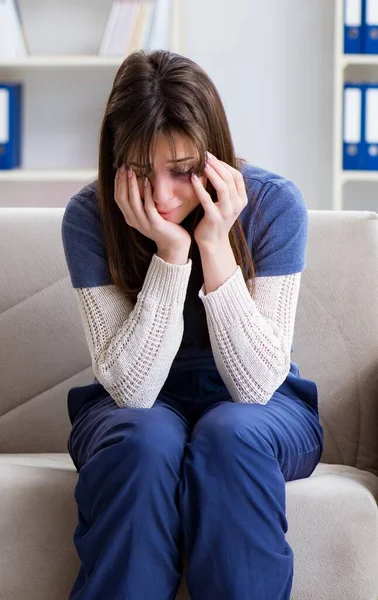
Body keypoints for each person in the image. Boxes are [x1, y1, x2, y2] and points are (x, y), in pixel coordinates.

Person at [61, 48, 324, 600]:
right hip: (133, 409)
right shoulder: (90, 217)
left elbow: (255, 387)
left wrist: (213, 244)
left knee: (231, 433)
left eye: (181, 172)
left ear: (212, 156)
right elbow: (131, 392)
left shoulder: (275, 205)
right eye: (137, 169)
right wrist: (171, 255)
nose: (160, 195)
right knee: (145, 438)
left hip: (264, 407)